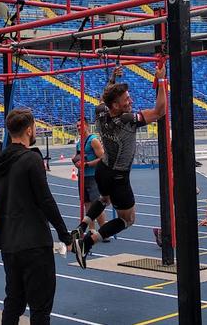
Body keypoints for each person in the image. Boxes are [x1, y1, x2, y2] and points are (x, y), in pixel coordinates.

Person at [71, 64, 167, 269]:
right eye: (126, 100)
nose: (130, 101)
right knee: (128, 219)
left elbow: (104, 97)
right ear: (115, 105)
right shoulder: (127, 119)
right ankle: (86, 242)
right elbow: (160, 111)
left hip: (103, 171)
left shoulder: (100, 112)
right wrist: (161, 81)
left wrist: (113, 80)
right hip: (118, 176)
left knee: (104, 199)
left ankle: (81, 227)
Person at [0, 108, 71, 325]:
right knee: (40, 308)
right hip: (34, 243)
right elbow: (46, 200)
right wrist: (64, 234)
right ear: (29, 129)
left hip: (9, 243)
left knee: (13, 302)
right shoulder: (31, 159)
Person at [72, 116, 109, 240]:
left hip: (93, 176)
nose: (78, 128)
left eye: (80, 125)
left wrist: (87, 164)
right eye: (77, 126)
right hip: (82, 176)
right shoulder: (79, 142)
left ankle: (105, 231)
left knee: (96, 204)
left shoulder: (93, 140)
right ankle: (92, 231)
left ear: (87, 126)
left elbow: (103, 158)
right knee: (86, 204)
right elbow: (78, 156)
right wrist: (76, 161)